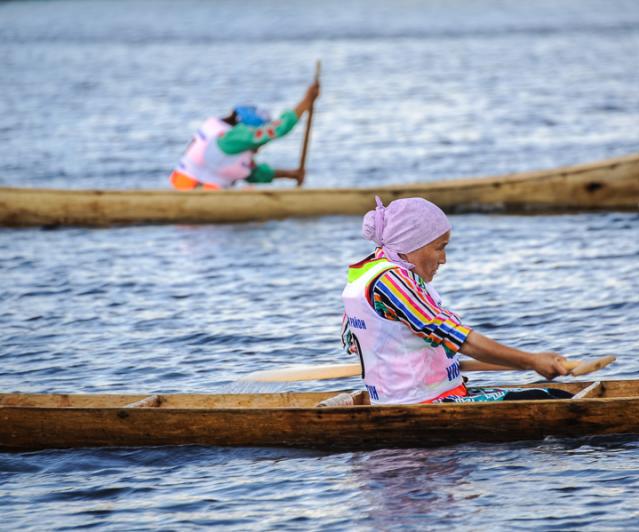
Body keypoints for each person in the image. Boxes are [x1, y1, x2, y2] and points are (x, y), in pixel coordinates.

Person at [341, 196, 573, 405]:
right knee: (556, 399)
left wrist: (530, 362)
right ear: (411, 246)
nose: (443, 259)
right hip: (423, 404)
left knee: (551, 394)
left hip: (425, 397)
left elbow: (357, 342)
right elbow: (456, 337)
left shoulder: (365, 276)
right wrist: (531, 361)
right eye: (439, 248)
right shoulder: (392, 282)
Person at [169, 80, 320, 190]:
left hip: (191, 194)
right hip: (193, 196)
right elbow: (279, 129)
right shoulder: (232, 138)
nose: (261, 145)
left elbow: (255, 174)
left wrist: (291, 175)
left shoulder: (225, 140)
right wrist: (306, 102)